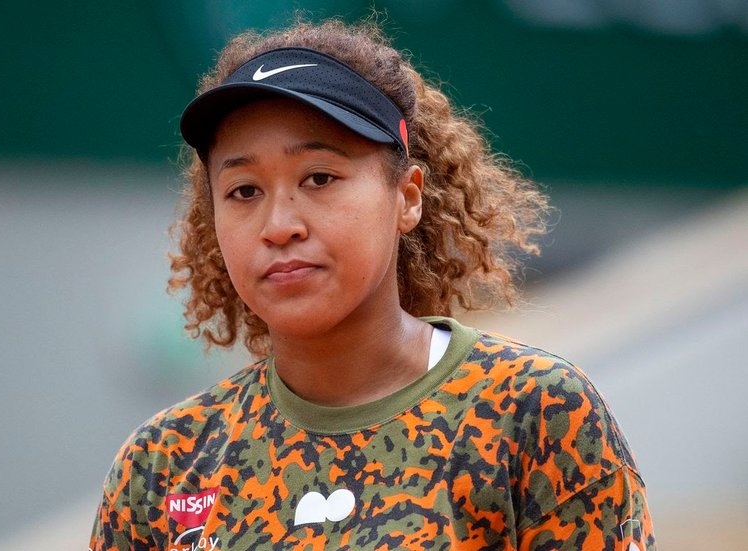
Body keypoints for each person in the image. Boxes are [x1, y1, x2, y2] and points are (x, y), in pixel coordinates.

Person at [90, 19, 654, 551]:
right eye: (244, 191)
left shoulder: (534, 410)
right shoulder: (165, 464)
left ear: (407, 197)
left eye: (319, 178)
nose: (279, 225)